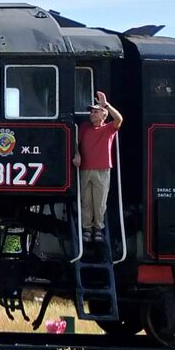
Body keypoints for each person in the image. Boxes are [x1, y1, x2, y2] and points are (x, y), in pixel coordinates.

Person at [73, 90, 123, 242]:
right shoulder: (84, 127)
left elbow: (119, 118)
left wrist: (106, 105)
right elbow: (76, 142)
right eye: (92, 112)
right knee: (86, 200)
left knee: (100, 202)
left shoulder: (108, 129)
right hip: (85, 168)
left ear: (104, 115)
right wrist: (77, 154)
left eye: (96, 112)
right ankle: (87, 228)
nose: (92, 114)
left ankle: (99, 229)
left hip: (102, 169)